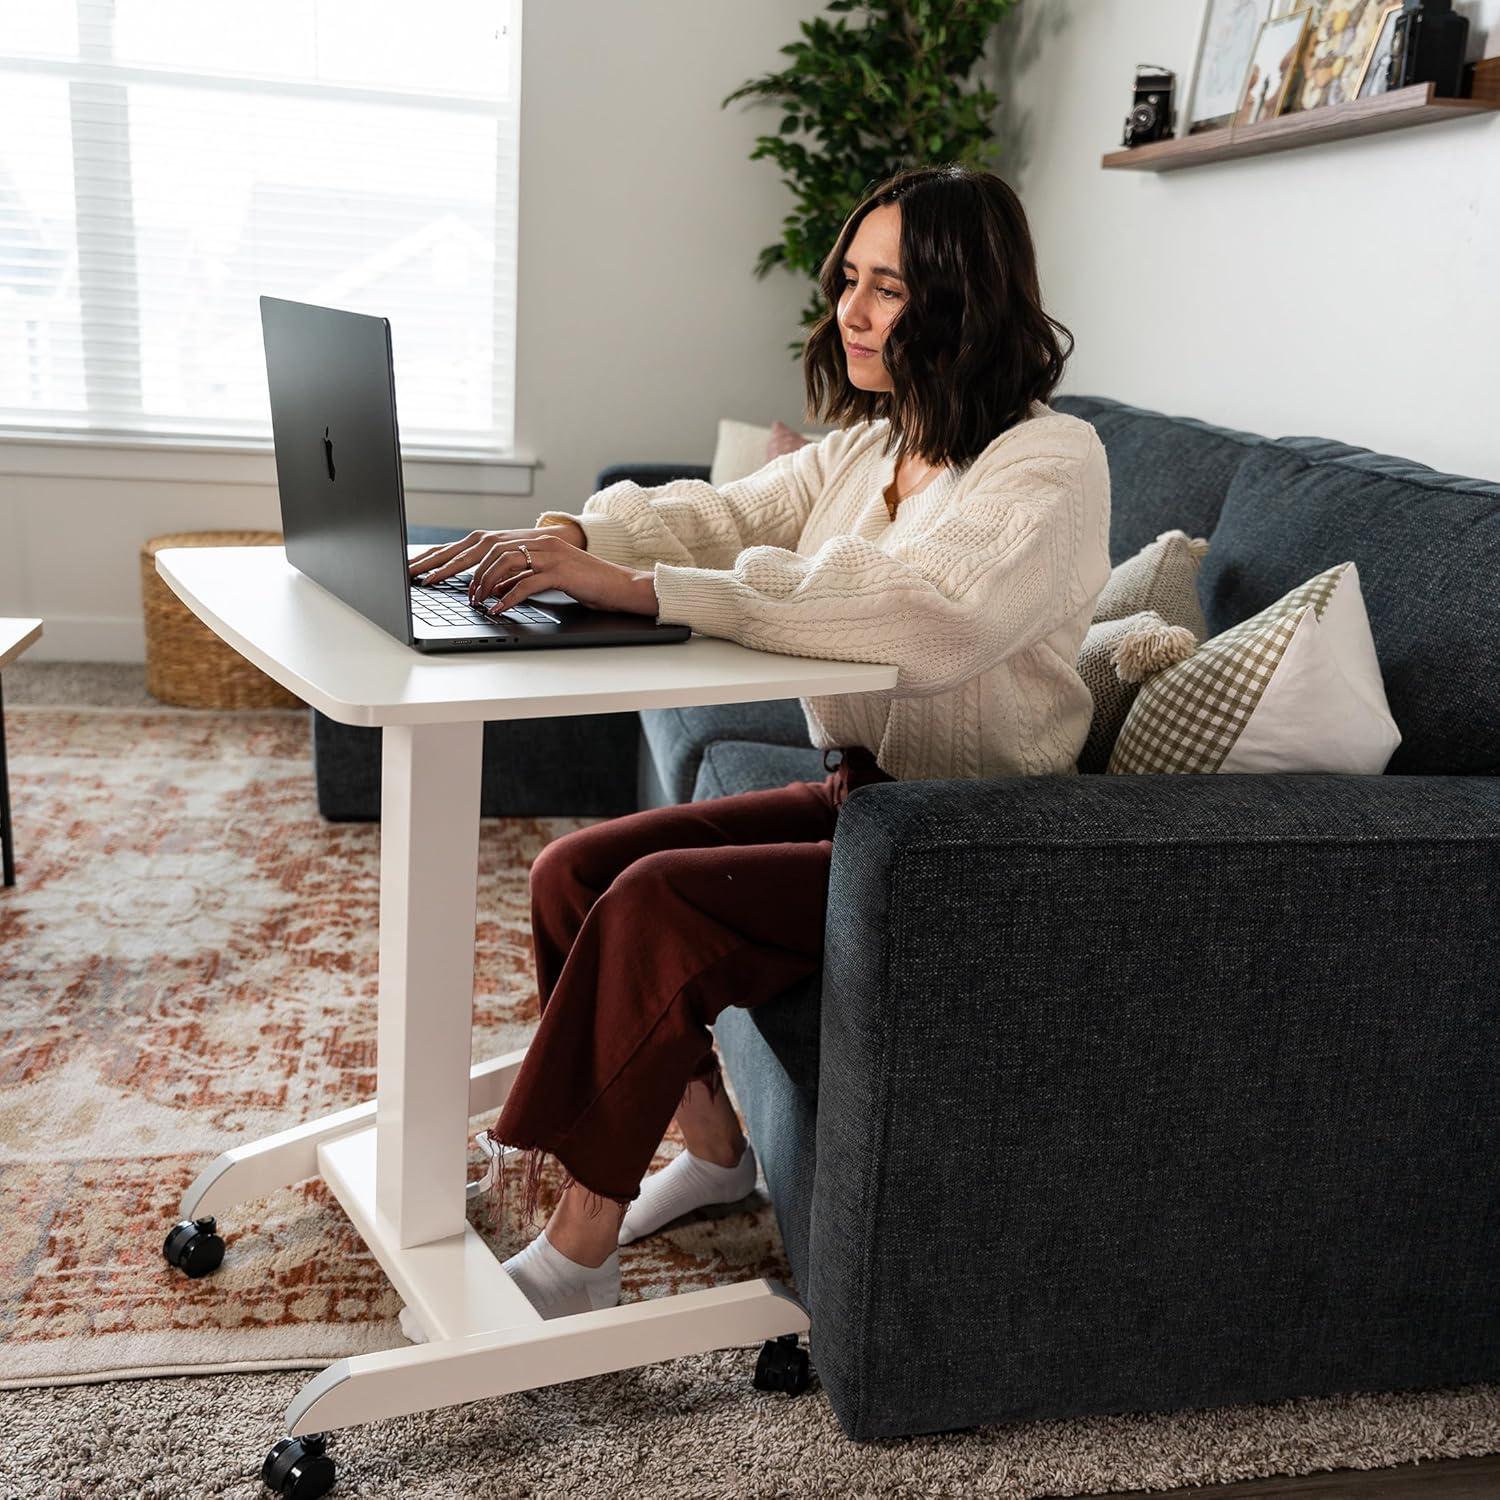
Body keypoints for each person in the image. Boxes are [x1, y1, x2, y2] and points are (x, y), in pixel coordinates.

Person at [406, 164, 1111, 1320]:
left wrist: (642, 589)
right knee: (573, 874)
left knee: (656, 905)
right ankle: (716, 1149)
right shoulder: (876, 448)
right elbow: (727, 511)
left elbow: (922, 613)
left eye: (891, 287)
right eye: (851, 280)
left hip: (977, 843)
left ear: (967, 299)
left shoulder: (1050, 462)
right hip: (870, 799)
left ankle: (580, 1253)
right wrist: (565, 533)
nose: (856, 310)